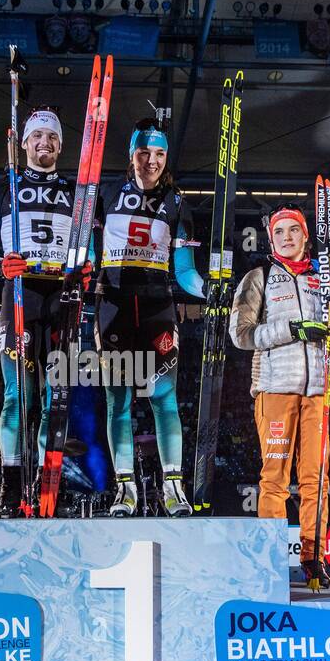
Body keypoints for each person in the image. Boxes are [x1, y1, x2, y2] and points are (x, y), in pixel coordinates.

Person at [229, 205, 330, 587]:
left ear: (305, 236)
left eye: (294, 231)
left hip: (318, 392)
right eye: (280, 232)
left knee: (315, 480)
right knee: (273, 479)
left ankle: (313, 557)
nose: (287, 237)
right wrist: (293, 330)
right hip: (275, 390)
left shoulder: (324, 278)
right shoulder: (260, 277)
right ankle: (269, 561)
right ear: (272, 239)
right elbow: (241, 334)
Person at [0, 106, 81, 516]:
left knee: (58, 396)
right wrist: (0, 264)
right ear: (24, 143)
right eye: (37, 136)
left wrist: (86, 264)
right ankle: (12, 488)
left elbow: (91, 247)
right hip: (19, 291)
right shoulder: (3, 188)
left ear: (60, 145)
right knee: (18, 396)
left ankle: (48, 487)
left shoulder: (77, 191)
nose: (44, 143)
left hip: (62, 296)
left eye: (52, 137)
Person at [94, 117, 204, 516]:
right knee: (118, 400)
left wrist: (210, 290)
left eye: (159, 154)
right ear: (131, 154)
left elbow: (186, 270)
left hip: (158, 307)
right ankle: (125, 490)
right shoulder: (104, 194)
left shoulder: (177, 203)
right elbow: (88, 252)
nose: (151, 161)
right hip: (114, 308)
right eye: (144, 152)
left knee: (164, 397)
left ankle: (173, 486)